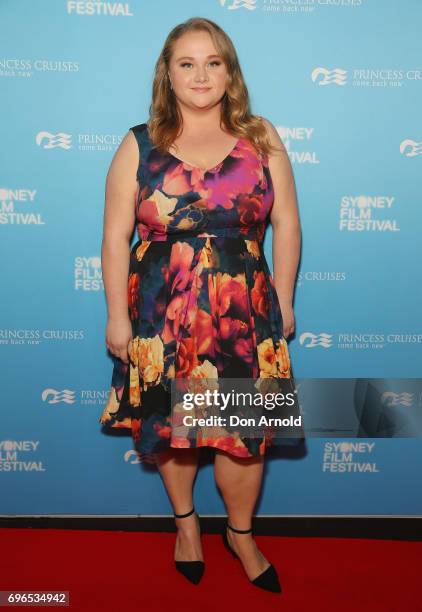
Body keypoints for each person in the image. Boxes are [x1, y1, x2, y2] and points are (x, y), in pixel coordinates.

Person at [99, 16, 303, 593]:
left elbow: (286, 224)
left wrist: (283, 297)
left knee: (243, 438)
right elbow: (116, 237)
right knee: (174, 432)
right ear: (167, 73)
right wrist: (117, 316)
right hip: (163, 314)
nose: (200, 74)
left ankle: (240, 534)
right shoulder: (139, 143)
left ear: (229, 71)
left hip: (244, 312)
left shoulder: (261, 137)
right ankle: (186, 525)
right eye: (186, 63)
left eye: (213, 62)